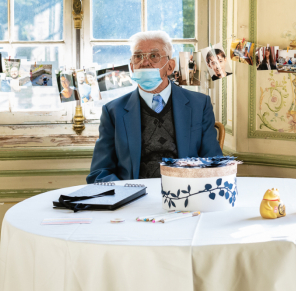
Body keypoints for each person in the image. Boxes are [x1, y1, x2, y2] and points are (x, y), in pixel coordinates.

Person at [88, 31, 223, 182]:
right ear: (132, 66)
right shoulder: (113, 111)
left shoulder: (200, 105)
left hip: (186, 195)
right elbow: (100, 172)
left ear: (170, 66)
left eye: (154, 56)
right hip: (133, 198)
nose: (145, 62)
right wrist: (125, 194)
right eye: (138, 56)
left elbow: (214, 163)